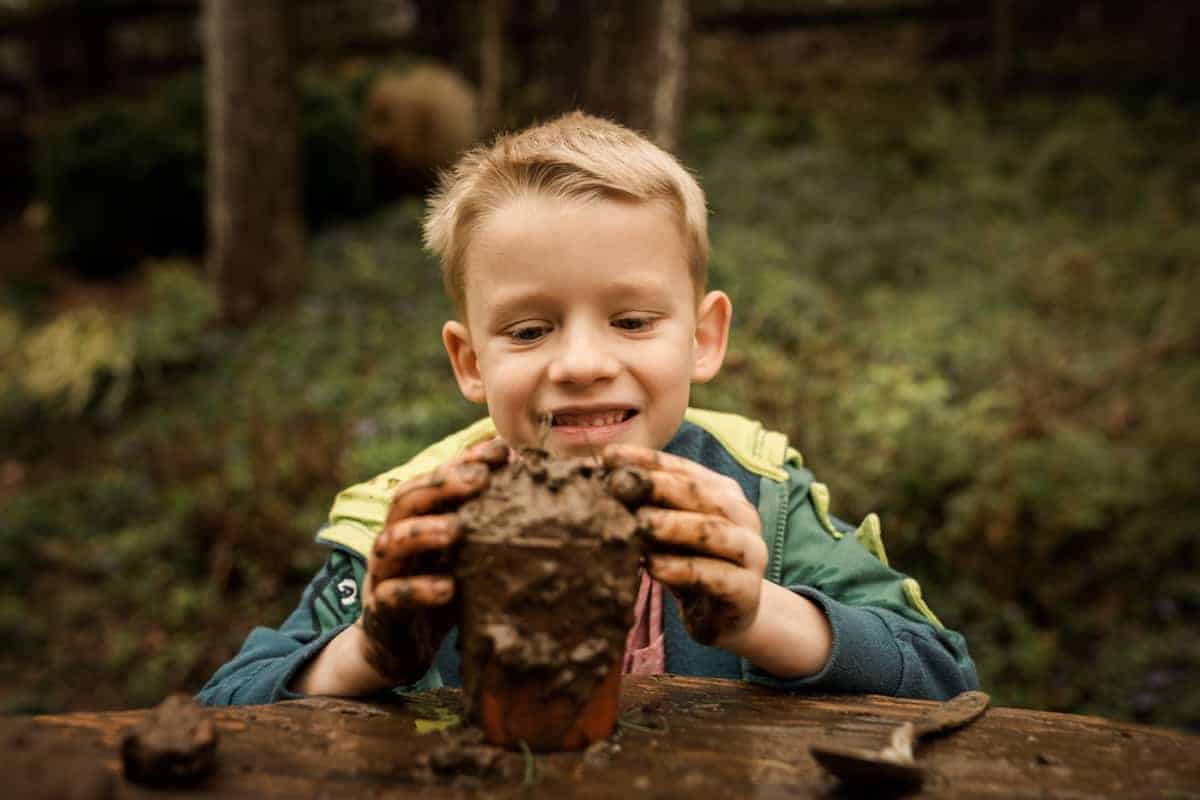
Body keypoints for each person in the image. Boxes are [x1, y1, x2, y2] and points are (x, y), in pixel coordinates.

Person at [198, 112, 978, 706]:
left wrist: (758, 615)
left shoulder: (759, 499)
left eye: (633, 321)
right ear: (471, 362)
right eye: (530, 330)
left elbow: (943, 677)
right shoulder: (413, 520)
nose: (581, 365)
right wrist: (371, 653)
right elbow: (229, 701)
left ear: (704, 339)